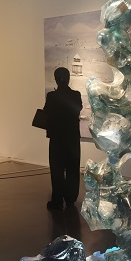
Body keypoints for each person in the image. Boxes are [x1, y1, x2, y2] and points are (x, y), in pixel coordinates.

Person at [43, 67, 82, 210]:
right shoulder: (76, 95)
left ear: (55, 79)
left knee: (57, 169)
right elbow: (78, 110)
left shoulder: (52, 96)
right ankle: (71, 198)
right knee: (73, 168)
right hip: (72, 138)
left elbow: (47, 113)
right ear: (68, 78)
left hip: (57, 138)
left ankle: (57, 200)